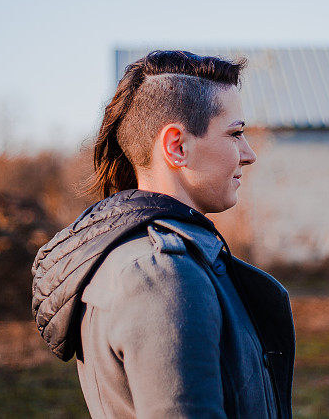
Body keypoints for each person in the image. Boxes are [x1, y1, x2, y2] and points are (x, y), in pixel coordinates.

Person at [32, 51, 295, 418]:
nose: (248, 154)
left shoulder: (146, 260)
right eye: (235, 133)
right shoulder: (163, 276)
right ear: (177, 147)